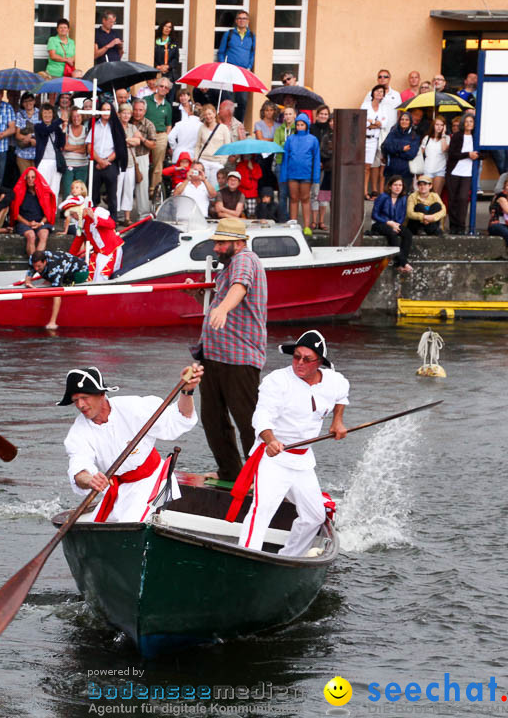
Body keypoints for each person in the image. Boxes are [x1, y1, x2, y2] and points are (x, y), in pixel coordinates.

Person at [233, 330, 348, 557]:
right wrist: (271, 439)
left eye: (307, 359)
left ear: (319, 363)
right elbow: (261, 417)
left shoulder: (334, 381)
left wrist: (337, 421)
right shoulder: (277, 381)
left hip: (303, 460)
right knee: (261, 510)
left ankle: (289, 557)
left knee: (315, 516)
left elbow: (342, 395)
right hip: (273, 457)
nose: (299, 363)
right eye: (296, 357)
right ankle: (246, 558)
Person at [61, 364, 202, 523]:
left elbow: (180, 419)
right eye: (75, 400)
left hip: (152, 481)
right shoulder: (78, 431)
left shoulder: (134, 408)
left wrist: (186, 391)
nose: (80, 405)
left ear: (101, 394)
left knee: (130, 525)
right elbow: (79, 466)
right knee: (91, 527)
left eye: (84, 398)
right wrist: (90, 480)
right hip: (117, 488)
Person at [195, 217, 267, 484]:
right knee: (213, 420)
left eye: (221, 243)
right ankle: (230, 472)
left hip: (239, 357)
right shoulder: (228, 266)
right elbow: (229, 290)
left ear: (238, 243)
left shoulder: (245, 260)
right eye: (215, 242)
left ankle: (260, 477)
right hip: (214, 356)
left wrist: (223, 308)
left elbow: (240, 287)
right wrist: (209, 299)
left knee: (248, 421)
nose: (216, 248)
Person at [90, 100, 128, 221]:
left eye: (108, 109)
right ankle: (92, 220)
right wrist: (99, 161)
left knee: (112, 196)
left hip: (110, 163)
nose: (106, 112)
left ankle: (113, 222)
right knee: (93, 194)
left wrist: (105, 161)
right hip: (96, 163)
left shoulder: (116, 126)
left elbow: (120, 148)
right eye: (103, 109)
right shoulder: (94, 125)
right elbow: (89, 146)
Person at [282, 114, 320, 233]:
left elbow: (316, 159)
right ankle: (293, 224)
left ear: (306, 125)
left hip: (306, 174)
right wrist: (284, 175)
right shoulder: (290, 139)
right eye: (297, 124)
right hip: (292, 173)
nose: (299, 126)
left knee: (305, 198)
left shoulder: (313, 139)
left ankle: (307, 226)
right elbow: (286, 157)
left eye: (302, 124)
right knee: (293, 198)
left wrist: (316, 177)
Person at [216, 10, 255, 120]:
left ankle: (238, 125)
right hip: (229, 72)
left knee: (242, 101)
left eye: (244, 18)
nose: (242, 21)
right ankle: (226, 124)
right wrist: (224, 66)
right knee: (228, 101)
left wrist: (249, 66)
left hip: (243, 73)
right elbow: (221, 52)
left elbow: (252, 53)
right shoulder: (229, 34)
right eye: (239, 18)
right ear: (236, 21)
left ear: (248, 21)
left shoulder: (251, 36)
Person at [370, 174, 414, 274]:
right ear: (390, 186)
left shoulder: (403, 198)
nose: (398, 187)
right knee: (392, 233)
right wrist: (388, 222)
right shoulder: (383, 197)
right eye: (395, 185)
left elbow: (402, 215)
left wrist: (396, 225)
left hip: (395, 224)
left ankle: (398, 264)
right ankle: (403, 263)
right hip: (380, 223)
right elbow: (374, 214)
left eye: (400, 185)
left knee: (407, 234)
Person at [68, 204, 123, 282]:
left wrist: (94, 217)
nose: (73, 217)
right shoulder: (80, 223)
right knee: (90, 278)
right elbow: (77, 242)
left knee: (102, 278)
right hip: (98, 253)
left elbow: (111, 225)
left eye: (73, 214)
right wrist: (69, 257)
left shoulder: (97, 212)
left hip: (111, 250)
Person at [11, 166, 56, 256]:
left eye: (33, 177)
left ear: (37, 178)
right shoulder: (20, 192)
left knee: (44, 234)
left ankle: (37, 261)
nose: (30, 180)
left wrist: (40, 223)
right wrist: (28, 223)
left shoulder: (44, 193)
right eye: (28, 177)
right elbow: (15, 213)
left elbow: (48, 213)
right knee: (31, 236)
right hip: (24, 223)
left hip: (41, 222)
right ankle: (34, 263)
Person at [446, 114, 478, 234]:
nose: (469, 124)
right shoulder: (457, 136)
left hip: (468, 173)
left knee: (463, 199)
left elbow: (484, 154)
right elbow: (452, 154)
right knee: (452, 199)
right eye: (467, 121)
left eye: (471, 121)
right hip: (454, 171)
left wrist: (476, 155)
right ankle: (453, 226)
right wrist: (468, 154)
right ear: (463, 123)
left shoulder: (476, 137)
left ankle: (461, 226)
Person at [146, 78, 173, 194]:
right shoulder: (146, 100)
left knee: (158, 165)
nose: (163, 89)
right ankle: (141, 188)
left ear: (168, 91)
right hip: (146, 135)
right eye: (161, 86)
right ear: (157, 86)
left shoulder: (167, 106)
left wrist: (165, 136)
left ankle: (154, 190)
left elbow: (169, 124)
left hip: (161, 135)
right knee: (143, 164)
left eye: (166, 87)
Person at [363, 86, 390, 200]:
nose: (379, 93)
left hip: (375, 140)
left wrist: (372, 122)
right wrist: (376, 124)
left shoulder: (383, 108)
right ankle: (363, 191)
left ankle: (366, 191)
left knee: (368, 167)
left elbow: (384, 123)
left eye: (381, 92)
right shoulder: (365, 105)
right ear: (373, 93)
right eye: (377, 91)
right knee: (362, 167)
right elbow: (363, 122)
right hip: (364, 138)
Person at [382, 111, 420, 187]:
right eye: (402, 119)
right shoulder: (392, 133)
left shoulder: (414, 136)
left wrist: (394, 152)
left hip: (406, 173)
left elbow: (411, 154)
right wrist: (401, 149)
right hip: (391, 171)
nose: (404, 121)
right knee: (389, 197)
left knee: (403, 197)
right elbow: (385, 147)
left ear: (410, 122)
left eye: (407, 120)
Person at [420, 115, 450, 198]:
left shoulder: (447, 138)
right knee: (425, 195)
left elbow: (444, 149)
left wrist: (443, 134)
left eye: (442, 125)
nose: (439, 127)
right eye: (437, 124)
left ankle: (435, 211)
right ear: (433, 125)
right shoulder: (427, 138)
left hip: (440, 170)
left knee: (436, 196)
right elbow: (420, 154)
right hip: (427, 170)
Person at [154, 22, 181, 89]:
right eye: (165, 26)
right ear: (162, 27)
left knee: (170, 95)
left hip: (170, 73)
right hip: (157, 72)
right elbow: (151, 56)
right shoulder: (154, 41)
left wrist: (168, 66)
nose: (167, 29)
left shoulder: (173, 42)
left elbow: (176, 59)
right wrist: (158, 67)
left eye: (169, 27)